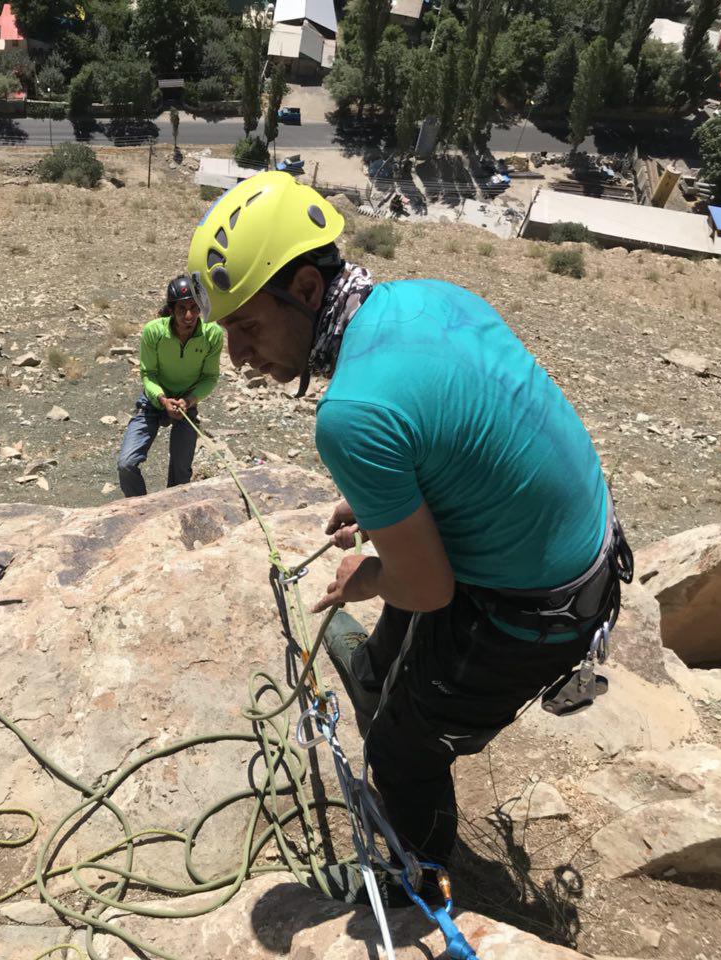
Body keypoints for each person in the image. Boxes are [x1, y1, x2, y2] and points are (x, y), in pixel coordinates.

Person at [185, 172, 630, 887]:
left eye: (248, 326)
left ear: (306, 289)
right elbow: (460, 434)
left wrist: (367, 575)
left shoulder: (351, 414)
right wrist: (379, 505)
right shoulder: (426, 297)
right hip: (581, 548)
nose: (234, 356)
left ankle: (419, 876)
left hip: (536, 611)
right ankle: (375, 675)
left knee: (401, 748)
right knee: (392, 636)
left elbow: (427, 589)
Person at [115, 275, 224, 497]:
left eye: (194, 308)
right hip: (154, 400)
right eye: (182, 308)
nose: (189, 316)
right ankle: (140, 507)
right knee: (126, 464)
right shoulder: (153, 332)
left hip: (186, 402)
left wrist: (189, 401)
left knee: (181, 473)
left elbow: (210, 377)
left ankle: (173, 507)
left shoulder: (212, 334)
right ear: (171, 309)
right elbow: (148, 374)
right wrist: (162, 400)